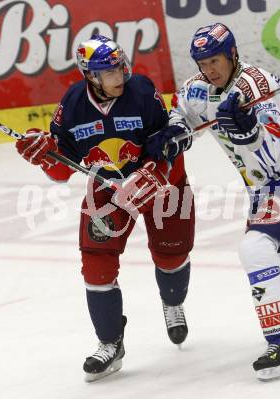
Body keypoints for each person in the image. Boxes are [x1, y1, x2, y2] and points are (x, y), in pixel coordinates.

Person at [146, 23, 280, 381]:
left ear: (232, 54)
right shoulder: (198, 88)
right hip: (263, 190)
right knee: (271, 253)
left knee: (256, 249)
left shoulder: (259, 87)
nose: (209, 69)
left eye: (215, 60)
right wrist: (173, 133)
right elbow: (182, 114)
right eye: (202, 62)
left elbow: (275, 155)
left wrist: (246, 129)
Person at [15, 34, 195, 382]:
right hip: (107, 186)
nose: (120, 75)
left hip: (159, 184)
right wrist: (43, 155)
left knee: (171, 257)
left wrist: (155, 171)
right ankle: (110, 343)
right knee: (96, 265)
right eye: (109, 71)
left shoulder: (142, 92)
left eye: (120, 65)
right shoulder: (72, 104)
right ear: (90, 76)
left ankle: (172, 303)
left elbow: (170, 142)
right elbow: (61, 168)